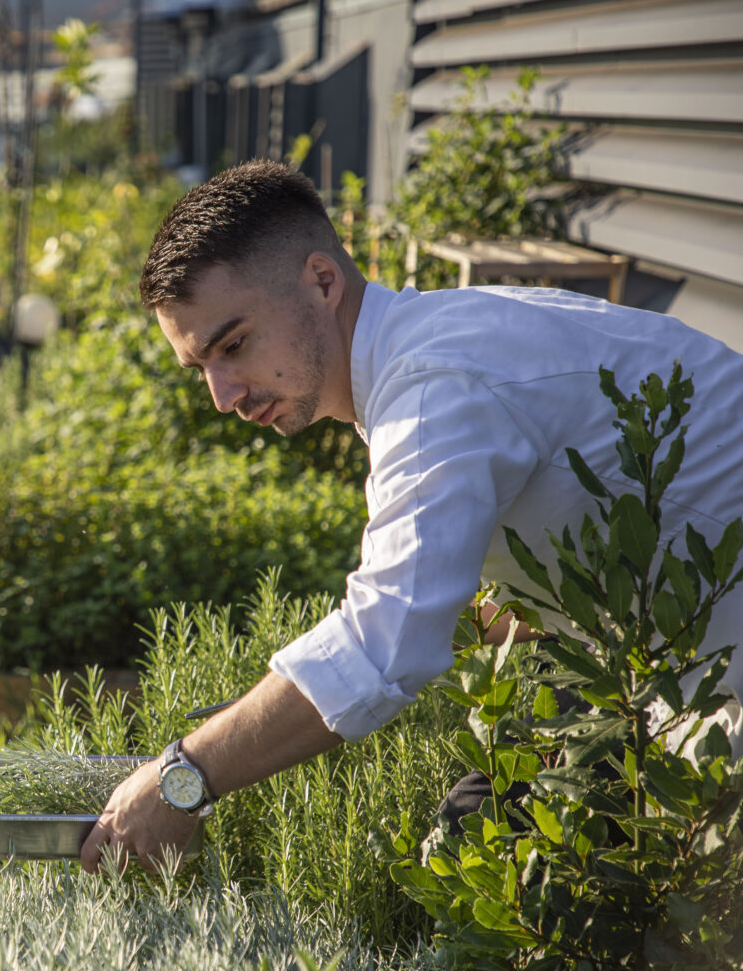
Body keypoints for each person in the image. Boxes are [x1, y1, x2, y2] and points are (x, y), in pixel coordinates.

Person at [79, 159, 743, 874]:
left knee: (493, 861)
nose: (223, 394)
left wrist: (184, 776)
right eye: (200, 367)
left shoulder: (434, 386)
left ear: (322, 281)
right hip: (670, 666)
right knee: (480, 833)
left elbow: (385, 640)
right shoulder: (429, 346)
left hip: (715, 689)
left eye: (233, 344)